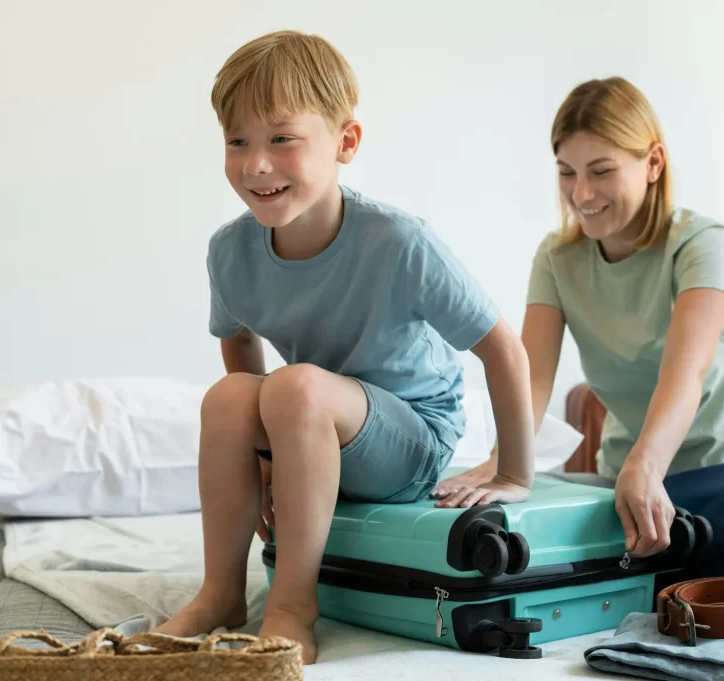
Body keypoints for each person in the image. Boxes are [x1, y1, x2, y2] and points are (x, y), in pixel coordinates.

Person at [151, 30, 535, 665]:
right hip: (310, 425)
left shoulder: (398, 241)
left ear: (345, 143)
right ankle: (220, 594)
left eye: (282, 139)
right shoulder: (229, 251)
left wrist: (513, 472)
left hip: (409, 441)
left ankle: (294, 605)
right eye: (237, 141)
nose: (256, 165)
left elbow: (503, 350)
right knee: (229, 397)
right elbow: (239, 345)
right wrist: (266, 460)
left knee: (297, 384)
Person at [432, 77, 724, 558]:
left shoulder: (701, 244)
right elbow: (532, 382)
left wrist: (648, 465)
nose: (582, 193)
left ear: (653, 163)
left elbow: (684, 375)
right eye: (567, 172)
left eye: (601, 170)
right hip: (624, 475)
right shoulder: (556, 258)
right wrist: (503, 462)